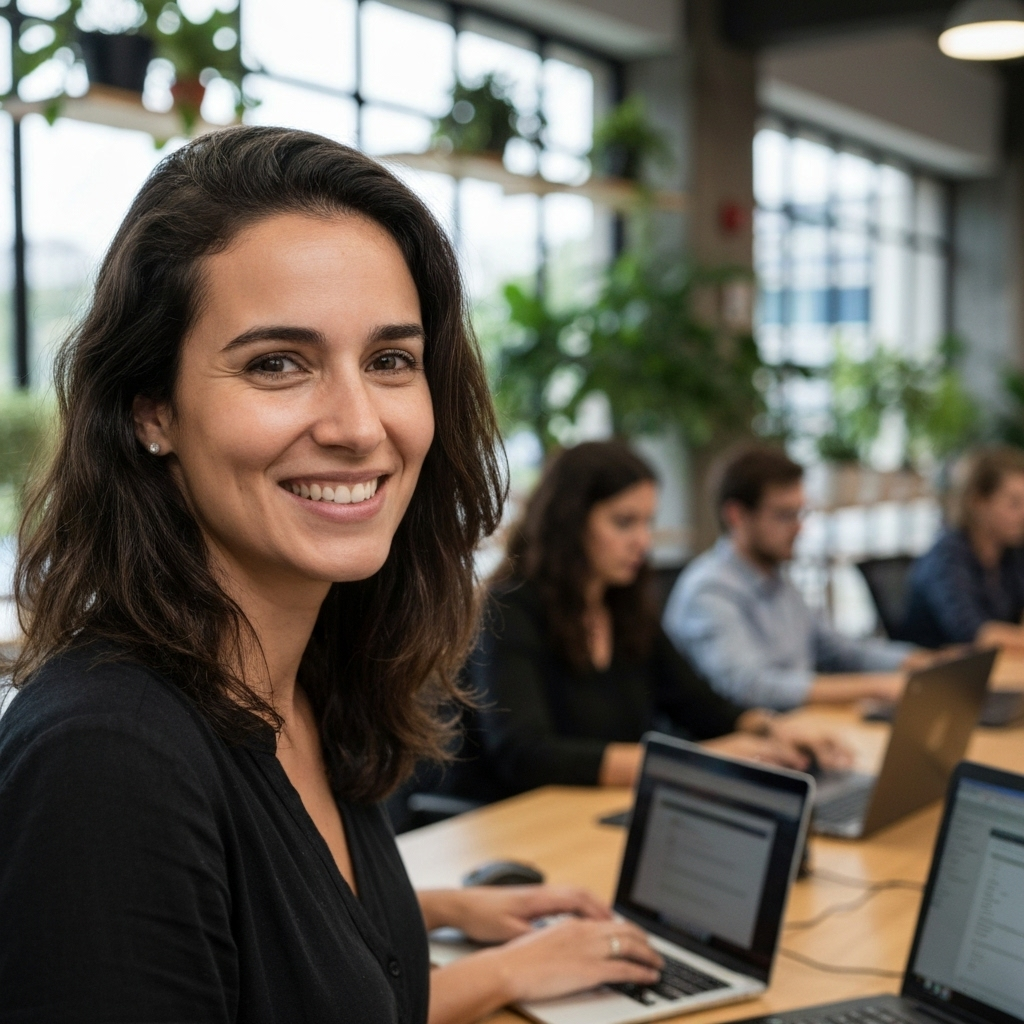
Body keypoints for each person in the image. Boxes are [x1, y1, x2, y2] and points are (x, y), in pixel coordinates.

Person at [0, 127, 667, 1024]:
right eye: (278, 364)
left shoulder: (314, 688)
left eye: (390, 361)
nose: (358, 427)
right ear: (151, 411)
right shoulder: (107, 761)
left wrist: (429, 915)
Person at [465, 440, 850, 799]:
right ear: (569, 522)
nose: (643, 541)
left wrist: (774, 730)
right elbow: (525, 755)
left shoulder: (623, 607)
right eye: (624, 522)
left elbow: (700, 705)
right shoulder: (509, 611)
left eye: (647, 523)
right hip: (522, 821)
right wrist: (696, 762)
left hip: (602, 808)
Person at [663, 446, 917, 711]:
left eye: (800, 513)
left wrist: (917, 661)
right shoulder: (709, 590)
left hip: (799, 724)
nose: (799, 527)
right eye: (784, 515)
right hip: (752, 733)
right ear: (736, 516)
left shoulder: (778, 581)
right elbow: (751, 687)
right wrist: (877, 687)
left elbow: (838, 650)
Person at [902, 446, 1024, 649]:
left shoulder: (1011, 553)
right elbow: (976, 634)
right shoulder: (946, 557)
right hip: (942, 664)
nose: (1023, 514)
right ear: (978, 502)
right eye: (1014, 504)